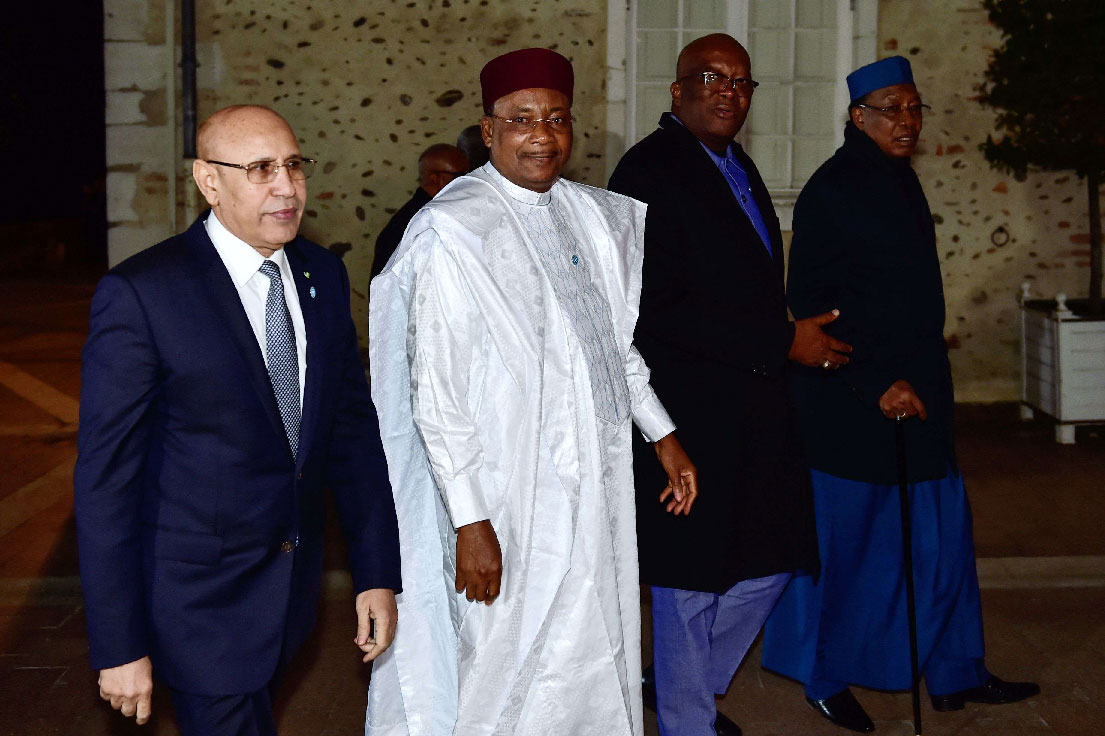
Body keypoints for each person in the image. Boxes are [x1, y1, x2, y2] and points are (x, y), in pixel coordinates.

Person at [366, 47, 698, 736]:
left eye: (555, 118)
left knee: (592, 643)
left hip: (596, 483)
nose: (541, 135)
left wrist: (661, 434)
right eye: (520, 120)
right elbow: (436, 391)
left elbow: (610, 346)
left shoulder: (594, 219)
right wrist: (469, 520)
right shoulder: (452, 230)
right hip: (507, 492)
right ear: (488, 132)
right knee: (502, 660)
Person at [75, 104, 402, 735]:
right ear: (208, 181)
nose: (286, 186)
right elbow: (106, 482)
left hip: (290, 600)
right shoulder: (144, 295)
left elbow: (351, 438)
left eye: (293, 166)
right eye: (259, 169)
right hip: (197, 607)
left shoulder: (322, 275)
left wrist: (376, 573)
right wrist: (118, 644)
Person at [761, 56, 1039, 733]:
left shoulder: (897, 180)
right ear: (857, 116)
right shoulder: (833, 189)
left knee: (942, 541)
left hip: (921, 399)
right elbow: (813, 307)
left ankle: (953, 672)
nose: (905, 121)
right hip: (852, 406)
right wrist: (873, 382)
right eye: (891, 108)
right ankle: (822, 679)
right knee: (845, 552)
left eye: (913, 108)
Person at [608, 33, 846, 736]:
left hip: (753, 402)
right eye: (710, 77)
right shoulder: (647, 172)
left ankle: (685, 682)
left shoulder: (733, 162)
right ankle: (687, 719)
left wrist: (778, 342)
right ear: (676, 90)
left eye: (741, 82)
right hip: (684, 408)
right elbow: (654, 304)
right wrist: (782, 339)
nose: (726, 92)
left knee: (774, 556)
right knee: (687, 577)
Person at [370, 143, 469, 279]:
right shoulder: (416, 222)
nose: (466, 180)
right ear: (436, 178)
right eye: (459, 175)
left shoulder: (439, 213)